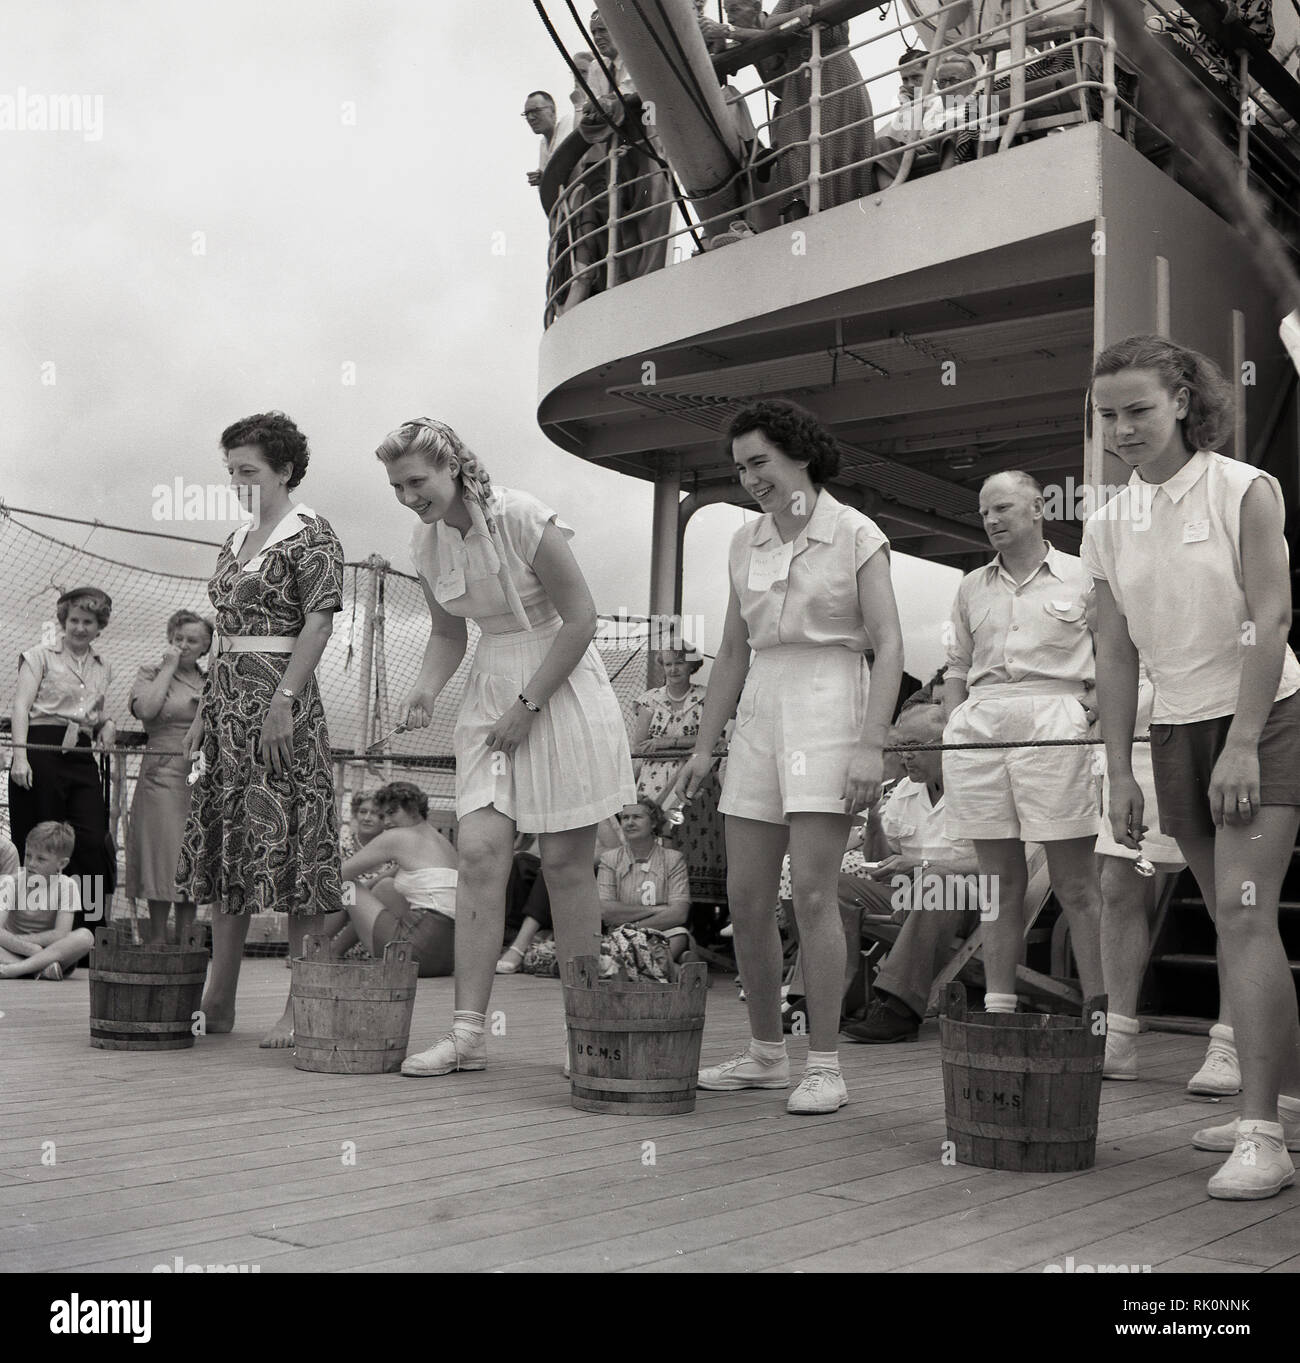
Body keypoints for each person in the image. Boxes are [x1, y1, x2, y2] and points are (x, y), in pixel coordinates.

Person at [1085, 333, 1300, 1199]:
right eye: (1108, 414)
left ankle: (1262, 1136)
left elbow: (1273, 616)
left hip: (1266, 715)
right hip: (1173, 727)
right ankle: (1274, 1102)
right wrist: (1121, 770)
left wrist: (1244, 738)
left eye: (1139, 408)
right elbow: (1113, 654)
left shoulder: (1243, 488)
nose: (1124, 428)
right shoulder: (1104, 522)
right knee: (1230, 920)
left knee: (1247, 919)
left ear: (1182, 399)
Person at [375, 417, 635, 1077]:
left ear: (452, 467)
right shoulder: (426, 544)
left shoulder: (521, 516)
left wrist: (529, 706)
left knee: (566, 864)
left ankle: (591, 1035)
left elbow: (582, 618)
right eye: (397, 486)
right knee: (483, 854)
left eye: (417, 481)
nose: (409, 496)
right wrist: (426, 690)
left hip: (561, 684)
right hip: (491, 689)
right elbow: (445, 633)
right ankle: (467, 1035)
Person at [680, 398, 904, 1115]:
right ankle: (765, 1053)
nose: (749, 478)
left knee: (812, 892)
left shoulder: (856, 532)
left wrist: (872, 741)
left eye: (760, 462)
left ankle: (827, 1063)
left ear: (800, 455)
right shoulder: (744, 543)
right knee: (744, 896)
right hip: (760, 707)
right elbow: (733, 651)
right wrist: (702, 744)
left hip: (829, 694)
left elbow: (890, 642)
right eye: (740, 467)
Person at [176, 412, 345, 1047]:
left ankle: (299, 1005)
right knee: (230, 848)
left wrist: (284, 702)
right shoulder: (236, 538)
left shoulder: (313, 535)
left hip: (282, 704)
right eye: (231, 472)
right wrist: (203, 712)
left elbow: (319, 623)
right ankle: (218, 1001)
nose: (238, 481)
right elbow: (224, 633)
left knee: (293, 851)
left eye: (249, 471)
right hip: (226, 707)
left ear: (285, 470)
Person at [941, 471, 1104, 1018]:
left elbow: (1118, 652)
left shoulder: (1084, 575)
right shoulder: (970, 585)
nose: (991, 520)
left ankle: (1103, 1018)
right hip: (981, 727)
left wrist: (1090, 710)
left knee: (1075, 880)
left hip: (1055, 719)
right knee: (999, 881)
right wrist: (952, 727)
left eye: (1003, 508)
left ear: (1038, 508)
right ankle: (999, 1010)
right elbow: (957, 667)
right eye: (985, 511)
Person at [839, 703, 982, 1043]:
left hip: (970, 900)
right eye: (900, 747)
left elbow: (1000, 864)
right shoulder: (904, 790)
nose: (904, 757)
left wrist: (922, 868)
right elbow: (883, 863)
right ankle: (826, 997)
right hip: (910, 894)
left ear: (945, 742)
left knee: (938, 882)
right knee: (828, 887)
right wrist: (873, 822)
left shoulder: (978, 786)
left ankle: (899, 1010)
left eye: (913, 747)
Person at [1095, 662, 1197, 1082]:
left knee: (1228, 897)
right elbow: (1102, 629)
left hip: (1212, 702)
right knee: (1118, 885)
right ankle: (1117, 1035)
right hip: (1136, 723)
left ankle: (1231, 1043)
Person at [7, 586, 117, 927]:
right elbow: (21, 707)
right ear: (63, 622)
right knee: (40, 839)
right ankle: (30, 927)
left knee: (92, 841)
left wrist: (108, 724)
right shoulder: (38, 655)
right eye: (74, 620)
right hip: (42, 749)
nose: (80, 628)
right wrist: (20, 757)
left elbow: (96, 714)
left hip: (81, 753)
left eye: (88, 621)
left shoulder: (103, 666)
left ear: (99, 626)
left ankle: (92, 932)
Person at [719, 1, 874, 220]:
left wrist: (731, 31)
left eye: (734, 10)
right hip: (800, 85)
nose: (730, 17)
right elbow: (774, 24)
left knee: (839, 147)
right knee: (793, 152)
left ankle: (844, 216)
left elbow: (793, 23)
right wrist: (798, 15)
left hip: (833, 73)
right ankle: (803, 221)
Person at [125, 610, 212, 945]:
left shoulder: (210, 680)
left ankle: (187, 941)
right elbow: (146, 710)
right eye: (179, 639)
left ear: (205, 646)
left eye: (192, 641)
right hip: (160, 772)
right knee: (161, 851)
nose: (184, 645)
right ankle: (157, 939)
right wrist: (169, 667)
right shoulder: (151, 672)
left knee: (192, 853)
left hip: (198, 773)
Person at [332, 781, 458, 978]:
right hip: (447, 960)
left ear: (414, 810)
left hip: (413, 954)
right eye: (384, 815)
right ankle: (333, 952)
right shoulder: (443, 843)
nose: (387, 821)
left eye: (392, 813)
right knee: (386, 887)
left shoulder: (398, 836)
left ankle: (312, 950)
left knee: (348, 887)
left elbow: (338, 876)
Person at [632, 644, 727, 903]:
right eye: (668, 664)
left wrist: (665, 743)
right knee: (653, 837)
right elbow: (639, 746)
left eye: (680, 663)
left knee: (686, 839)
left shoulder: (707, 697)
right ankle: (652, 898)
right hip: (653, 780)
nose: (673, 669)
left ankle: (688, 907)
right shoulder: (650, 699)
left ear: (692, 666)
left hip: (692, 780)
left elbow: (716, 739)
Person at [597, 800, 692, 961]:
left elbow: (679, 914)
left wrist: (633, 929)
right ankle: (668, 969)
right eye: (625, 818)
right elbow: (605, 911)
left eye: (637, 817)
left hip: (663, 932)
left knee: (679, 936)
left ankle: (648, 968)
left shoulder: (672, 859)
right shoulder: (610, 859)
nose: (629, 823)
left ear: (654, 822)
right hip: (619, 937)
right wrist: (658, 909)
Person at [0, 822, 94, 980]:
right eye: (28, 855)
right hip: (11, 950)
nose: (31, 863)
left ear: (62, 863)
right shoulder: (10, 882)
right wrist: (31, 949)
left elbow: (60, 934)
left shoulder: (67, 886)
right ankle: (39, 970)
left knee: (86, 937)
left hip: (50, 952)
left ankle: (17, 969)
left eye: (41, 859)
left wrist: (32, 947)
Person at [524, 90, 574, 189]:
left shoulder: (568, 123)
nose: (530, 117)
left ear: (552, 111)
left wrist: (545, 177)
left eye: (536, 111)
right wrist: (541, 179)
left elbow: (565, 162)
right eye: (527, 114)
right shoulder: (543, 145)